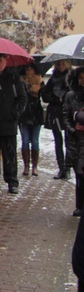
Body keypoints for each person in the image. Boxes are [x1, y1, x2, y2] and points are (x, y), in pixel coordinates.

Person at [0, 53, 27, 194]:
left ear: (5, 61)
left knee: (9, 154)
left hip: (7, 123)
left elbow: (22, 98)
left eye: (1, 61)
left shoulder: (13, 78)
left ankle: (12, 181)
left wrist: (14, 113)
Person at [42, 58, 73, 179]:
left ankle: (68, 168)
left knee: (68, 141)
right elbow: (45, 95)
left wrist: (65, 98)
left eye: (63, 64)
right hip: (55, 112)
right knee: (58, 141)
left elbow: (74, 95)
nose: (61, 66)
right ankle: (61, 168)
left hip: (67, 113)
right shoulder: (53, 79)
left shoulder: (71, 79)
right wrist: (55, 99)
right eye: (58, 64)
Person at [63, 67, 84, 217]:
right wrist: (73, 129)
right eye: (81, 78)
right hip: (77, 141)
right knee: (80, 173)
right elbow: (65, 116)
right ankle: (79, 205)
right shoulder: (71, 96)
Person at [19, 62, 44, 177]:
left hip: (36, 114)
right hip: (24, 114)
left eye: (31, 69)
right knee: (25, 141)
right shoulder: (20, 81)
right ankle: (26, 166)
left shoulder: (39, 81)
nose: (29, 71)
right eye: (27, 69)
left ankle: (35, 166)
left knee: (34, 141)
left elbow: (44, 95)